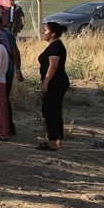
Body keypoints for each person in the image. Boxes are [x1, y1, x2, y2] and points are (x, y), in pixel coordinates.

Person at [37, 21, 70, 152]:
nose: (43, 33)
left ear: (53, 33)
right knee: (55, 110)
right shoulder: (54, 45)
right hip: (56, 82)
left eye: (45, 31)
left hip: (55, 83)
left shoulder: (55, 46)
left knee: (49, 110)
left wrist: (46, 82)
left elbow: (53, 65)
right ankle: (57, 140)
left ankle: (53, 141)